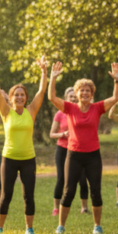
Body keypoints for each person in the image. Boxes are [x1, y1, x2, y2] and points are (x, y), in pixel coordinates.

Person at [49, 60, 118, 234]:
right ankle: (61, 226)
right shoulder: (70, 108)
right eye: (82, 90)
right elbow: (51, 97)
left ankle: (97, 225)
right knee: (69, 191)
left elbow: (115, 98)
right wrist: (52, 78)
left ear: (92, 93)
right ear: (76, 93)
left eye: (88, 90)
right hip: (73, 155)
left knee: (95, 190)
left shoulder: (97, 108)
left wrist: (117, 81)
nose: (85, 93)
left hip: (93, 156)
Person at [0, 55, 48, 234]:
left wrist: (44, 72)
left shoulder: (31, 111)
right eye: (16, 94)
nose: (20, 97)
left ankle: (29, 229)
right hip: (9, 159)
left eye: (22, 95)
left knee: (28, 195)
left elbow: (41, 92)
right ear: (12, 98)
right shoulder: (6, 112)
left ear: (26, 98)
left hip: (28, 159)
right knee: (6, 195)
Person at [50, 87, 90, 216]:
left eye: (74, 96)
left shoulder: (83, 111)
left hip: (79, 149)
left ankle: (84, 207)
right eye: (70, 96)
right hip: (62, 148)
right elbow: (52, 134)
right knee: (61, 178)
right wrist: (63, 134)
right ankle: (56, 208)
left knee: (83, 179)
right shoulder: (60, 113)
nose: (73, 98)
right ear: (66, 98)